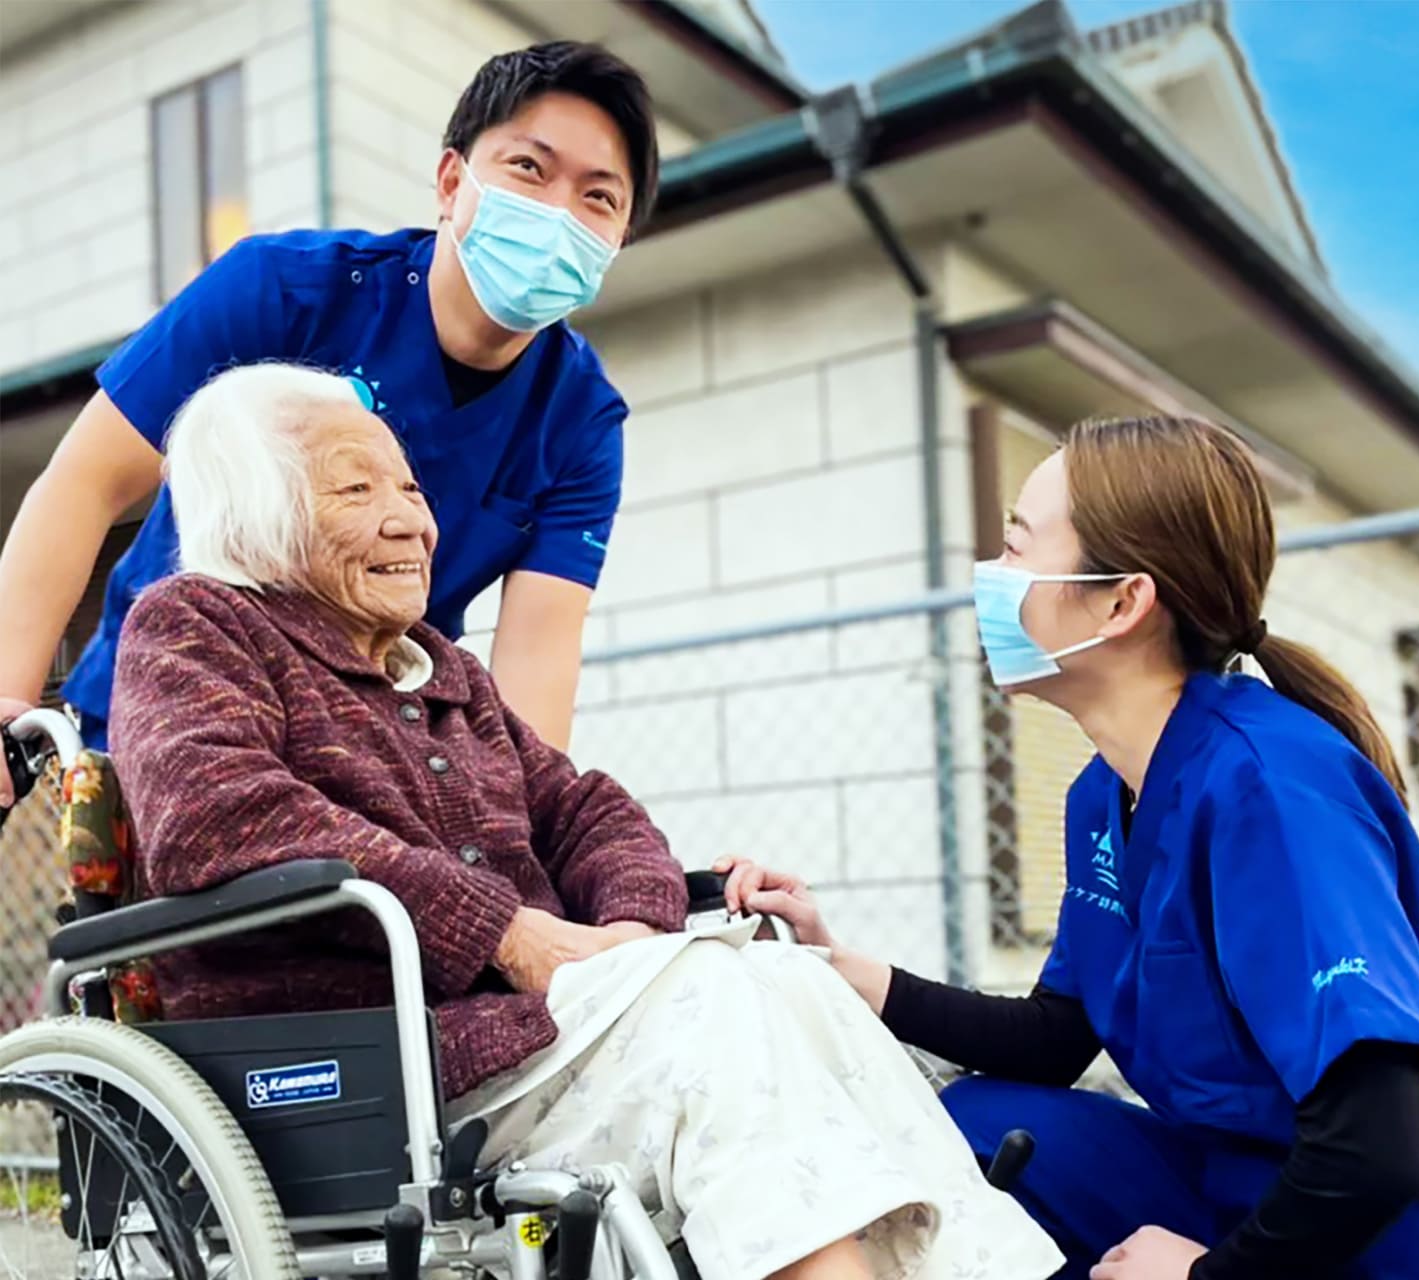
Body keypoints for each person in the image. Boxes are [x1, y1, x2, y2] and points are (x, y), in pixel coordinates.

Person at [107, 364, 1065, 1280]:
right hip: (366, 1065)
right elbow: (214, 815)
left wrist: (634, 935)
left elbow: (582, 808)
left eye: (410, 486)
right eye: (356, 492)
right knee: (716, 1000)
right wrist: (510, 934)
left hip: (532, 1032)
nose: (412, 520)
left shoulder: (439, 667)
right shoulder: (193, 626)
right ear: (256, 511)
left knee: (786, 976)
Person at [717, 416, 1419, 1279]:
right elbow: (1054, 1037)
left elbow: (1378, 1149)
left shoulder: (1271, 786)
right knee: (978, 1120)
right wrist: (839, 970)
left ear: (1120, 601)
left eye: (1018, 546)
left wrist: (1209, 1274)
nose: (992, 573)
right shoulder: (1104, 797)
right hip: (1273, 1186)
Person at [0, 40, 653, 810]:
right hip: (166, 717)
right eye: (529, 170)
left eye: (599, 198)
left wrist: (523, 832)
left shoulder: (578, 421)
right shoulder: (283, 293)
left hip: (370, 755)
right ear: (453, 180)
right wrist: (7, 705)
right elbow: (85, 483)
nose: (556, 213)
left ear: (616, 241)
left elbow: (536, 664)